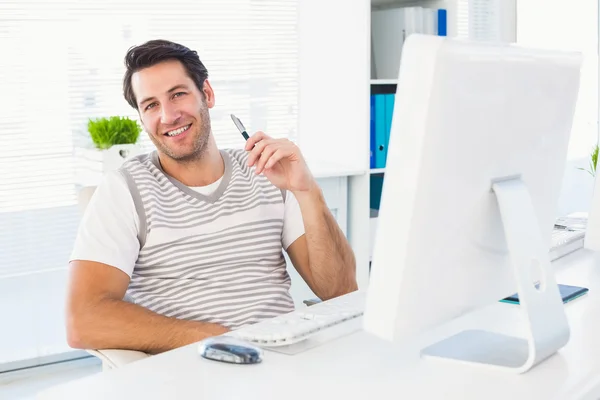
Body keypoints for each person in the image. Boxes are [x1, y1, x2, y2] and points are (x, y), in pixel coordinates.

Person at [65, 39, 357, 355]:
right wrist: (228, 340)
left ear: (207, 94)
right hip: (196, 371)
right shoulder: (124, 190)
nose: (168, 115)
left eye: (178, 94)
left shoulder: (266, 173)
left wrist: (306, 191)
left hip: (286, 365)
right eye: (150, 105)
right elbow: (83, 321)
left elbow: (341, 291)